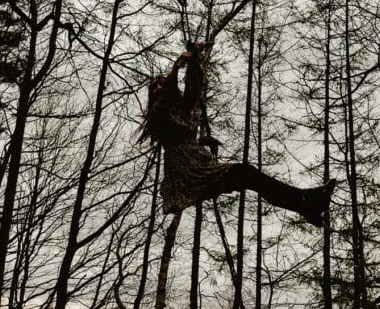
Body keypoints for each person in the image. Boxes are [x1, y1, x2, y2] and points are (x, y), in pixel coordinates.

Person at [140, 43, 335, 226]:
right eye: (155, 87)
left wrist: (194, 60)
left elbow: (194, 88)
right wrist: (176, 66)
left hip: (201, 168)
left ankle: (304, 205)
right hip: (189, 174)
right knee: (247, 174)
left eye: (161, 84)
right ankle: (305, 203)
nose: (159, 88)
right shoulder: (157, 114)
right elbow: (169, 109)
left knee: (249, 177)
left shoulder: (179, 109)